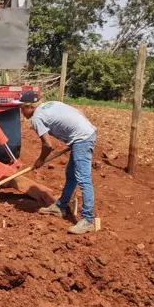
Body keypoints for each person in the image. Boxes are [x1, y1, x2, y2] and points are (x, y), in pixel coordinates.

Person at [18, 91, 98, 234]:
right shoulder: (49, 104)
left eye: (22, 108)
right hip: (83, 134)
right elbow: (78, 112)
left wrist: (41, 159)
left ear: (29, 107)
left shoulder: (36, 118)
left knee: (83, 178)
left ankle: (88, 220)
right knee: (71, 174)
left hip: (82, 139)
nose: (21, 112)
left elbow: (48, 145)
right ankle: (61, 206)